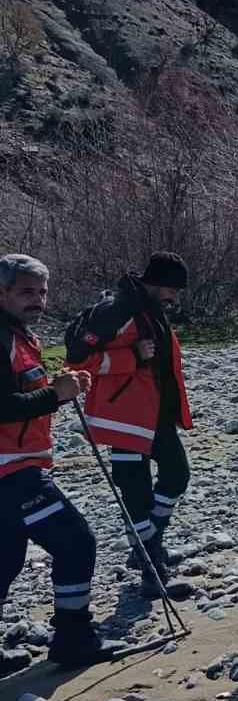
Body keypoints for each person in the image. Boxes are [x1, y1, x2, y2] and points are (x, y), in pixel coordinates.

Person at [0, 253, 106, 670]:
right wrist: (55, 395)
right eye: (26, 292)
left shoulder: (19, 334)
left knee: (5, 559)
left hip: (18, 464)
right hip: (11, 472)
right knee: (76, 542)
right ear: (2, 292)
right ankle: (73, 638)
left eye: (42, 292)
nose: (37, 300)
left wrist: (62, 389)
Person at [66, 252, 193, 595]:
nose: (174, 297)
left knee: (177, 475)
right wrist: (131, 357)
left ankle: (149, 544)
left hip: (156, 417)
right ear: (155, 283)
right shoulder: (118, 311)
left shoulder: (148, 307)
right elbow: (77, 359)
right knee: (136, 494)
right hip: (125, 419)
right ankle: (151, 565)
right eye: (171, 290)